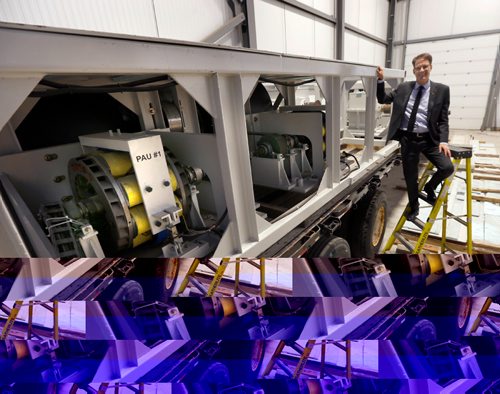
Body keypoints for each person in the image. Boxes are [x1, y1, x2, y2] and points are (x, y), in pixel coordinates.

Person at [376, 53, 454, 221]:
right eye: (418, 67)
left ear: (430, 67)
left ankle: (430, 186)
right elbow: (382, 99)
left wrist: (443, 141)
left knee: (447, 167)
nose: (421, 70)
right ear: (414, 70)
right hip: (408, 140)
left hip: (429, 139)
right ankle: (414, 206)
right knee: (410, 177)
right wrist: (381, 80)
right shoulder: (404, 88)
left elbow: (443, 119)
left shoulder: (442, 90)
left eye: (425, 66)